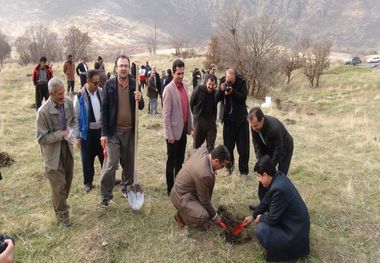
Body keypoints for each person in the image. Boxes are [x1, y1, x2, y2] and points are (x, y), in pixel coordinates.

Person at [243, 156, 310, 262]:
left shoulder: (278, 189)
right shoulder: (278, 177)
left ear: (265, 174)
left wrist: (260, 218)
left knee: (261, 229)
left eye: (258, 176)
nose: (258, 180)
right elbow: (266, 201)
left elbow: (272, 220)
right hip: (295, 225)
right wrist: (253, 215)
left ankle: (289, 254)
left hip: (294, 233)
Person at [100, 55, 144, 207]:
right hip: (113, 132)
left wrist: (140, 98)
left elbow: (141, 106)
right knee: (112, 163)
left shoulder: (134, 84)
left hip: (130, 132)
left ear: (129, 67)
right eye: (121, 66)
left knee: (129, 163)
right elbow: (104, 109)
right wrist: (104, 133)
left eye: (126, 66)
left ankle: (126, 187)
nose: (124, 68)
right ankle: (106, 196)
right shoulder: (109, 85)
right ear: (116, 68)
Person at [36, 77, 75, 227]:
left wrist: (71, 132)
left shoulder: (68, 103)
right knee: (58, 186)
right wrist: (61, 134)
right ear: (51, 94)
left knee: (67, 182)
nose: (62, 96)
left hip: (67, 149)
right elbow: (41, 138)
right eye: (59, 93)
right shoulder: (42, 112)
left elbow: (73, 120)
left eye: (63, 92)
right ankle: (63, 217)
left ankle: (61, 205)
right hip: (52, 154)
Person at [170, 145, 230, 228]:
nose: (222, 168)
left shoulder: (202, 150)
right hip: (180, 196)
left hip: (181, 190)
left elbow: (191, 152)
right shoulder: (204, 174)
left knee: (205, 207)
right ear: (216, 161)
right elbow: (205, 201)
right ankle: (181, 216)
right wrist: (216, 217)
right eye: (222, 165)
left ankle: (188, 210)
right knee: (204, 216)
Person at [248, 107, 294, 203]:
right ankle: (262, 204)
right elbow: (256, 144)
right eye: (252, 126)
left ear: (262, 120)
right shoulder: (254, 126)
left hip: (284, 148)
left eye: (256, 126)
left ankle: (278, 203)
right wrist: (261, 162)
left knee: (280, 176)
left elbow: (279, 150)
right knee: (262, 172)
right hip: (268, 146)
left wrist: (270, 166)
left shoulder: (274, 128)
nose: (253, 128)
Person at [163, 59, 193, 195]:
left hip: (183, 131)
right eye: (178, 74)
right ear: (173, 72)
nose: (181, 76)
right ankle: (170, 189)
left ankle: (179, 187)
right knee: (171, 162)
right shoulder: (168, 90)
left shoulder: (185, 86)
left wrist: (191, 126)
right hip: (173, 134)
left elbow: (188, 108)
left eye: (182, 73)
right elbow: (166, 115)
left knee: (180, 162)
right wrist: (169, 135)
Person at [74, 70, 104, 193]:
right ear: (88, 82)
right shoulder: (79, 97)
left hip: (101, 131)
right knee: (87, 159)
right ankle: (88, 182)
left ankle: (106, 179)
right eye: (95, 83)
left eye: (99, 82)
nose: (97, 85)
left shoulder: (101, 92)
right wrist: (77, 136)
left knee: (104, 157)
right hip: (87, 133)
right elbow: (75, 118)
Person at [216, 68, 249, 179]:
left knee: (243, 148)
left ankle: (243, 171)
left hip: (241, 120)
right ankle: (229, 168)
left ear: (235, 76)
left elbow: (243, 97)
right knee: (228, 147)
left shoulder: (242, 82)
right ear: (225, 76)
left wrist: (232, 91)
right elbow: (216, 98)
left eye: (231, 81)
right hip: (228, 120)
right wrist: (221, 90)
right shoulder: (222, 81)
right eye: (227, 80)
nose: (229, 82)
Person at [190, 74, 218, 152]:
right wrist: (195, 115)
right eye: (209, 84)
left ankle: (209, 162)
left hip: (211, 120)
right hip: (199, 119)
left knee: (211, 144)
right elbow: (191, 103)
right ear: (206, 82)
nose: (210, 86)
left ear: (215, 84)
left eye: (213, 85)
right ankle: (195, 161)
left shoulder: (215, 93)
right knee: (197, 144)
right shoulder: (198, 90)